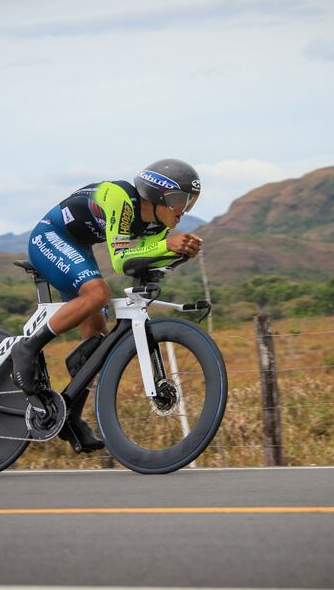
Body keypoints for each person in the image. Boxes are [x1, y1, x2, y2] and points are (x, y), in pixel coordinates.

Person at [10, 158, 204, 452]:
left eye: (190, 203)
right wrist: (167, 247)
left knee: (97, 343)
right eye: (179, 200)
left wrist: (177, 254)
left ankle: (70, 415)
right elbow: (121, 260)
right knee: (98, 293)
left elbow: (144, 255)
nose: (183, 210)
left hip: (79, 247)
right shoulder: (120, 198)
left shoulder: (156, 225)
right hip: (50, 236)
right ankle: (27, 347)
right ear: (155, 194)